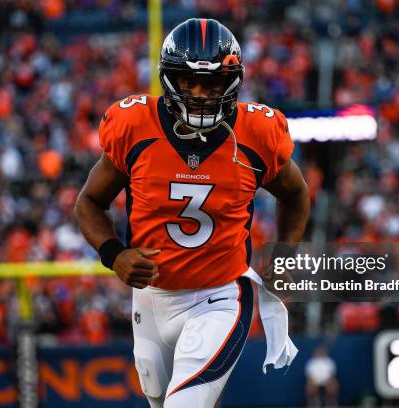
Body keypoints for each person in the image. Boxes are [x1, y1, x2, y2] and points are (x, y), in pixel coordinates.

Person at [75, 18, 309, 407]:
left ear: (232, 82)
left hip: (220, 295)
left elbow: (296, 193)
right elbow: (88, 202)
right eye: (189, 81)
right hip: (150, 298)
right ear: (170, 79)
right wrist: (113, 254)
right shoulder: (135, 126)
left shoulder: (257, 133)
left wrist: (284, 258)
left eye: (214, 83)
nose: (200, 94)